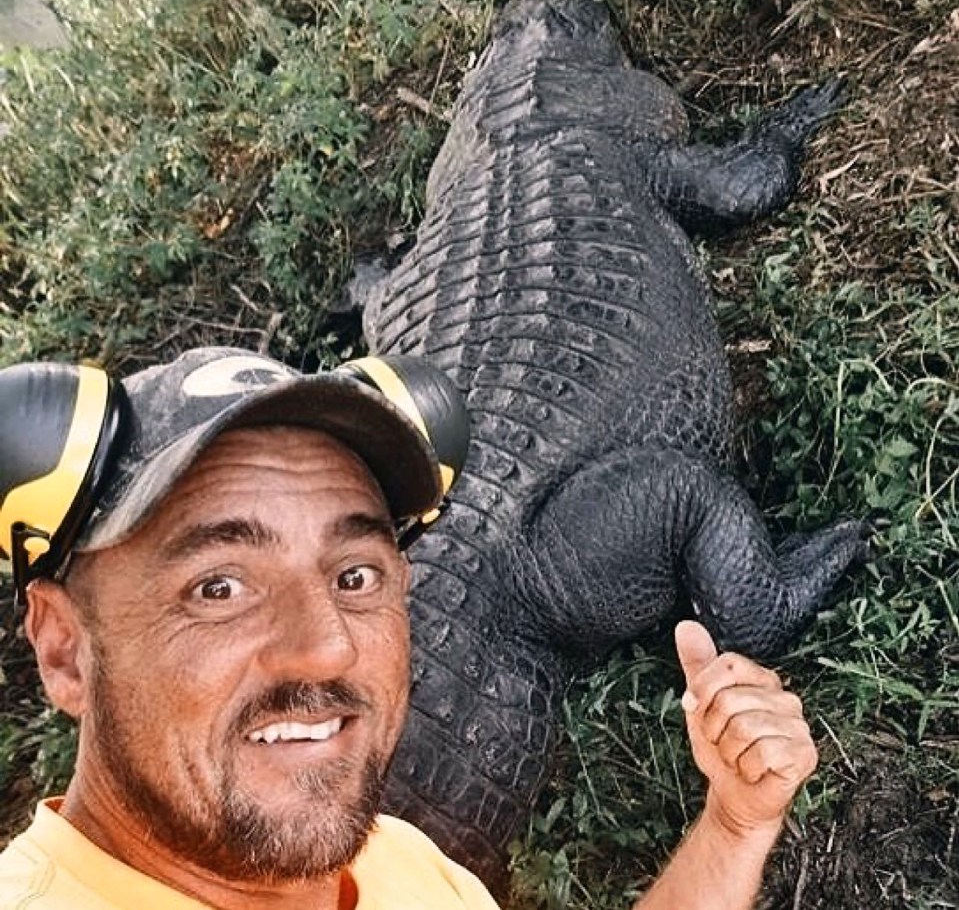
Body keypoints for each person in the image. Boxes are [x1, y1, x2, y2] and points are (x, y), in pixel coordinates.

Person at [0, 346, 818, 910]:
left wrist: (734, 823)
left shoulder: (394, 861)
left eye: (355, 575)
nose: (328, 645)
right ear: (64, 649)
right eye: (218, 587)